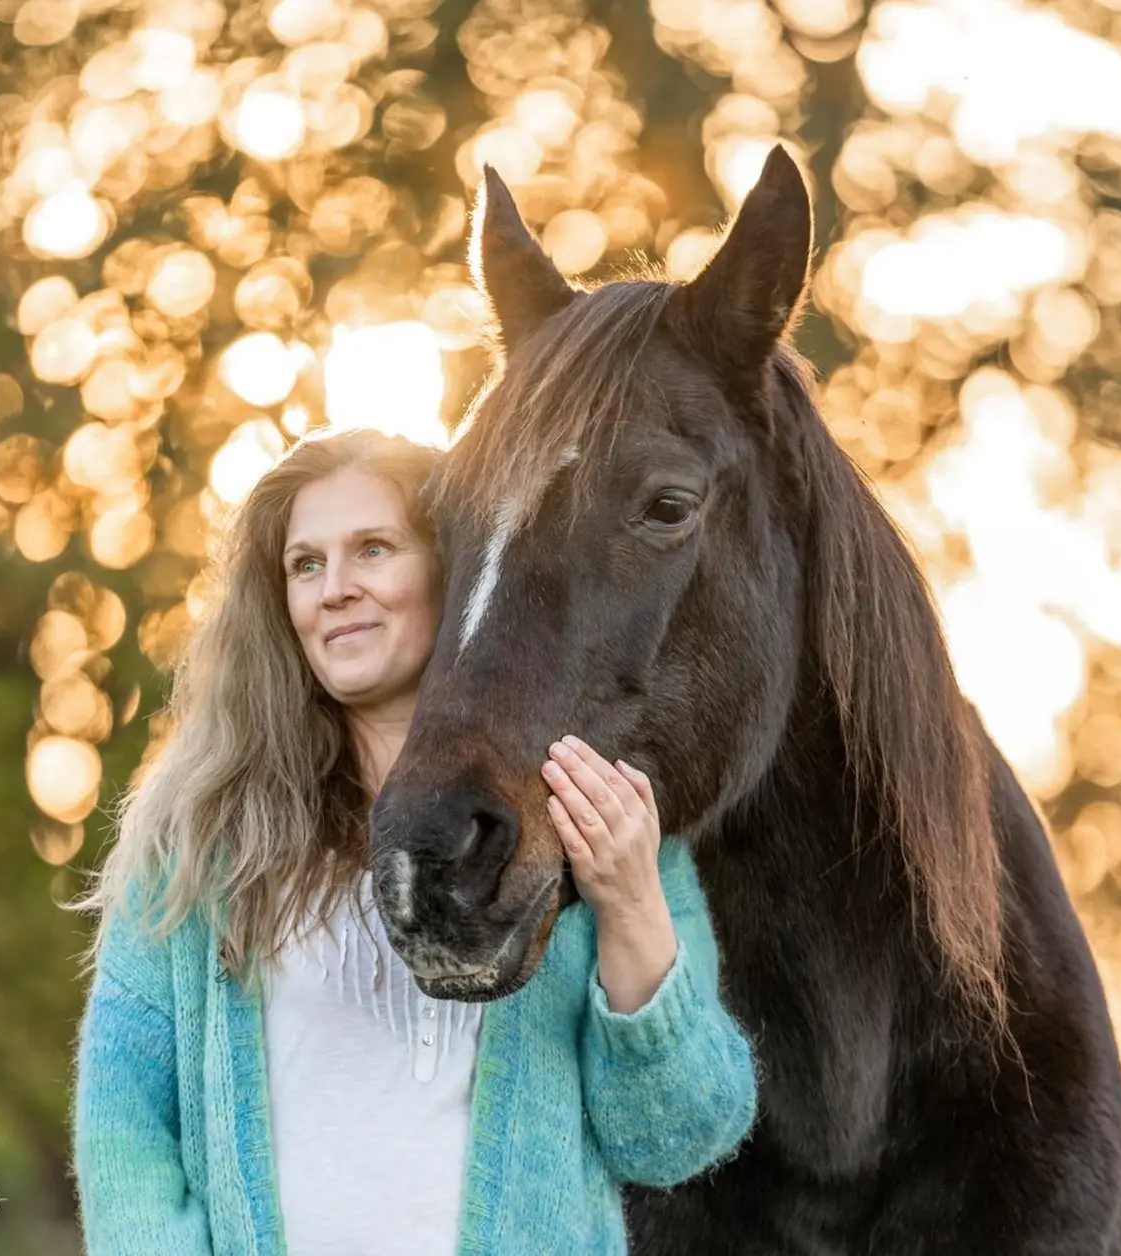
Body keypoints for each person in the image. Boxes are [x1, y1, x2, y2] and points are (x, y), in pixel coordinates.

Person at [68, 427, 757, 1256]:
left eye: (373, 549)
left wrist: (630, 903)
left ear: (453, 569)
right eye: (306, 565)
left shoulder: (591, 823)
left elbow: (675, 1141)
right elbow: (126, 1141)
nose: (336, 589)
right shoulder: (201, 845)